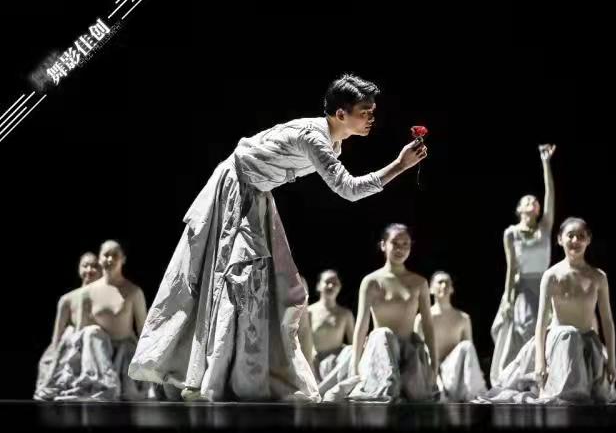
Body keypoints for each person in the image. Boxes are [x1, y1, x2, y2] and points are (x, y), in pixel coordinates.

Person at [128, 75, 427, 401]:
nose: (371, 118)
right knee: (236, 278)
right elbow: (348, 189)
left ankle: (234, 373)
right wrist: (400, 165)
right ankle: (206, 376)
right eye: (364, 112)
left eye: (372, 112)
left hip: (256, 192)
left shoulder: (331, 140)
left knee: (259, 283)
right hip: (237, 187)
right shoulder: (315, 138)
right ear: (341, 114)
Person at [480, 218, 616, 404]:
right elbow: (541, 321)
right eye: (571, 235)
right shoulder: (552, 275)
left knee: (598, 396)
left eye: (581, 236)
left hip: (587, 346)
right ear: (560, 239)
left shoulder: (598, 277)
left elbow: (607, 321)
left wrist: (611, 361)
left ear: (588, 240)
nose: (575, 240)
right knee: (570, 335)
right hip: (561, 342)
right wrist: (540, 362)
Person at [324, 224, 437, 402]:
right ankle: (385, 388)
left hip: (408, 353)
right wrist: (355, 364)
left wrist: (434, 364)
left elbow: (428, 325)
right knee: (383, 333)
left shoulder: (419, 282)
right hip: (380, 351)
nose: (400, 248)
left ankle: (402, 387)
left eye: (405, 244)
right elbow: (362, 324)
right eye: (395, 243)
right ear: (384, 245)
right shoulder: (371, 281)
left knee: (419, 396)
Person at [36, 241, 151, 401]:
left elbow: (143, 330)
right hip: (97, 352)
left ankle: (112, 384)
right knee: (91, 333)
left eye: (115, 255)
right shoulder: (86, 293)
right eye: (106, 255)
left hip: (123, 353)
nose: (110, 259)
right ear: (100, 258)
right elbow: (80, 334)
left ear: (123, 259)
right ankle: (101, 384)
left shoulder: (134, 292)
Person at [490, 144, 556, 385]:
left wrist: (546, 163)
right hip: (523, 287)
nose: (533, 201)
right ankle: (522, 378)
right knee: (524, 329)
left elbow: (550, 195)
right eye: (527, 200)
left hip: (545, 285)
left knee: (547, 331)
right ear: (519, 209)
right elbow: (512, 268)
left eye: (535, 201)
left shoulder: (544, 228)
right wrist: (508, 298)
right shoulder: (511, 233)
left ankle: (543, 376)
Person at [34, 252, 101, 394]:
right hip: (73, 346)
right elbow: (57, 334)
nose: (89, 270)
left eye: (94, 266)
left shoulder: (108, 297)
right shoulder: (67, 299)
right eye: (85, 266)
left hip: (96, 346)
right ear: (79, 268)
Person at [414, 271, 487, 401]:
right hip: (431, 373)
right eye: (440, 282)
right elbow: (415, 352)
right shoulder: (421, 319)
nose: (444, 285)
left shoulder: (463, 318)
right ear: (431, 289)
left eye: (447, 282)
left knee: (467, 346)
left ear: (452, 289)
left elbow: (470, 357)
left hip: (453, 373)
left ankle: (476, 395)